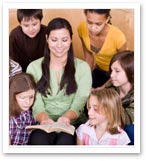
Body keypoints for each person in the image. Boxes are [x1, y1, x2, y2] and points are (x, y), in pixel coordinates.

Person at [26, 17, 92, 145]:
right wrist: (44, 119)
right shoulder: (33, 67)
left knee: (65, 142)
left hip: (72, 123)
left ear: (71, 40)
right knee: (38, 141)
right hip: (43, 124)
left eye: (65, 40)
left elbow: (80, 102)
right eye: (54, 40)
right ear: (47, 39)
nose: (59, 45)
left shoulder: (83, 68)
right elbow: (35, 102)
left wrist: (66, 117)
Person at [78, 9, 127, 88]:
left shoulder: (118, 37)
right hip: (98, 70)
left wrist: (102, 88)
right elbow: (88, 57)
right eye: (89, 22)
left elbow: (122, 68)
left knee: (103, 98)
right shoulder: (81, 28)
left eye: (98, 24)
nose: (93, 28)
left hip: (115, 74)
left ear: (107, 19)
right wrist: (85, 78)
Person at [107, 50, 134, 145]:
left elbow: (128, 118)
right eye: (111, 70)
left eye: (117, 71)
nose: (111, 75)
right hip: (113, 123)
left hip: (130, 128)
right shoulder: (111, 86)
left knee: (131, 129)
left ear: (131, 72)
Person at [9, 73, 37, 145]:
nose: (28, 102)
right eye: (23, 98)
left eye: (31, 97)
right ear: (13, 96)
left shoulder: (30, 113)